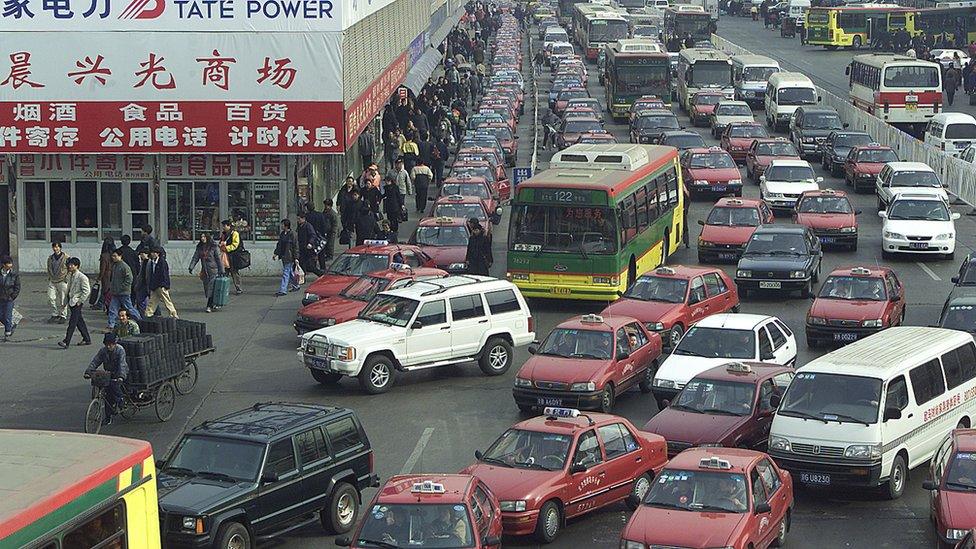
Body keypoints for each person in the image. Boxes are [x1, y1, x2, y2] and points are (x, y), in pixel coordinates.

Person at [84, 333, 128, 426]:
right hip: (108, 373)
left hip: (118, 373)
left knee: (114, 387)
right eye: (107, 344)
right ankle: (108, 418)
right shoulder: (103, 351)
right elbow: (95, 361)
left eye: (110, 344)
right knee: (107, 396)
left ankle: (121, 400)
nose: (108, 346)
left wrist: (121, 376)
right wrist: (88, 371)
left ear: (114, 343)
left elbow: (122, 364)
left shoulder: (120, 350)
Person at [59, 257, 92, 348]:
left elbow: (87, 291)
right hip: (71, 301)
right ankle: (87, 338)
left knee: (72, 322)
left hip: (77, 302)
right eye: (69, 264)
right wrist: (64, 303)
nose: (69, 266)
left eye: (72, 265)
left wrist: (80, 301)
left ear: (77, 266)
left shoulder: (82, 277)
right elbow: (68, 290)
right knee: (79, 321)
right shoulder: (70, 275)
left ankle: (66, 341)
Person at [188, 232, 225, 313]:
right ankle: (213, 303)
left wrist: (221, 270)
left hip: (213, 270)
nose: (202, 238)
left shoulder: (213, 246)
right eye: (201, 237)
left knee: (211, 288)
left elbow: (218, 259)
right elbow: (195, 257)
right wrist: (191, 267)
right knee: (207, 289)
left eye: (204, 236)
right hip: (205, 271)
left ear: (207, 237)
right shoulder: (200, 247)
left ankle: (209, 305)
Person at [108, 249, 141, 329]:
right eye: (113, 256)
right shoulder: (115, 265)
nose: (113, 257)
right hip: (115, 293)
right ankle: (111, 325)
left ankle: (140, 320)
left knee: (129, 308)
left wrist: (122, 287)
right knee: (112, 309)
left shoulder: (124, 266)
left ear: (120, 256)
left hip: (123, 293)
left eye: (115, 256)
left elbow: (129, 279)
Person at [145, 247, 178, 319]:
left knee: (167, 301)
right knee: (152, 301)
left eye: (154, 253)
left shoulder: (162, 262)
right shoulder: (152, 262)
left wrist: (164, 285)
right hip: (155, 285)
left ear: (158, 254)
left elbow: (164, 274)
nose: (152, 254)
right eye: (152, 252)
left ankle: (173, 315)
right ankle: (148, 314)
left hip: (161, 285)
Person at [273, 219, 299, 296]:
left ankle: (283, 289)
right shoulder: (282, 234)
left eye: (282, 225)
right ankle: (296, 285)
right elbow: (279, 245)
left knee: (286, 272)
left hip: (289, 256)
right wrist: (276, 253)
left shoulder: (293, 234)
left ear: (286, 225)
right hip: (284, 255)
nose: (281, 226)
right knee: (289, 272)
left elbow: (295, 247)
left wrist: (296, 258)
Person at [219, 220, 245, 294]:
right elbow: (221, 241)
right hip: (226, 256)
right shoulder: (224, 234)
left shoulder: (234, 233)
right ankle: (224, 288)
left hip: (233, 256)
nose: (223, 227)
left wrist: (226, 248)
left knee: (234, 273)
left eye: (224, 226)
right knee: (225, 273)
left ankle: (239, 288)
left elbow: (235, 245)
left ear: (229, 226)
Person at [47, 240, 69, 324]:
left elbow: (70, 268)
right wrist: (50, 276)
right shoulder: (50, 258)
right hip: (53, 280)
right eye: (54, 247)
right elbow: (48, 268)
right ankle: (54, 313)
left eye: (57, 247)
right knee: (50, 297)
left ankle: (63, 315)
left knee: (63, 299)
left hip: (62, 280)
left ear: (60, 247)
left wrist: (67, 278)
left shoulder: (66, 257)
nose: (55, 248)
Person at [296, 212, 324, 277]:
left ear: (303, 219)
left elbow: (313, 235)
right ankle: (302, 276)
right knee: (301, 263)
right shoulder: (300, 227)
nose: (298, 221)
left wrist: (310, 243)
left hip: (308, 249)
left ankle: (321, 274)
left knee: (310, 266)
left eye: (299, 219)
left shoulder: (308, 226)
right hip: (302, 248)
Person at [0, 255, 20, 340]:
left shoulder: (14, 275)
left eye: (11, 263)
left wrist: (12, 296)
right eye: (8, 263)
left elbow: (17, 287)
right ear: (4, 265)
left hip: (9, 298)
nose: (10, 265)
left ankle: (7, 332)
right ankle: (11, 325)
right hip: (0, 298)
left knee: (7, 316)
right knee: (1, 316)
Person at [98, 237, 115, 311]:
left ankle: (102, 304)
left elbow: (102, 269)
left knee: (105, 290)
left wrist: (99, 278)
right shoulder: (114, 255)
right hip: (113, 274)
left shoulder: (104, 256)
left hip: (106, 275)